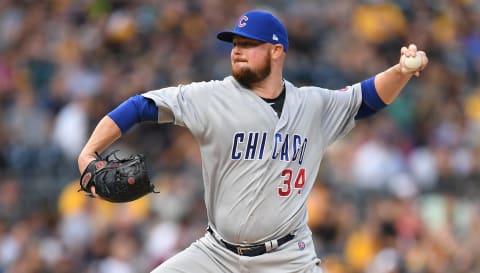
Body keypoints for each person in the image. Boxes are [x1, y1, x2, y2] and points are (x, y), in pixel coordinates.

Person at [77, 9, 428, 273]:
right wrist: (90, 151)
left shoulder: (313, 104)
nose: (237, 50)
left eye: (248, 44)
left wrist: (401, 72)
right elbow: (141, 106)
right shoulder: (211, 97)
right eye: (235, 43)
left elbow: (366, 98)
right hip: (217, 255)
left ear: (277, 52)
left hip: (289, 258)